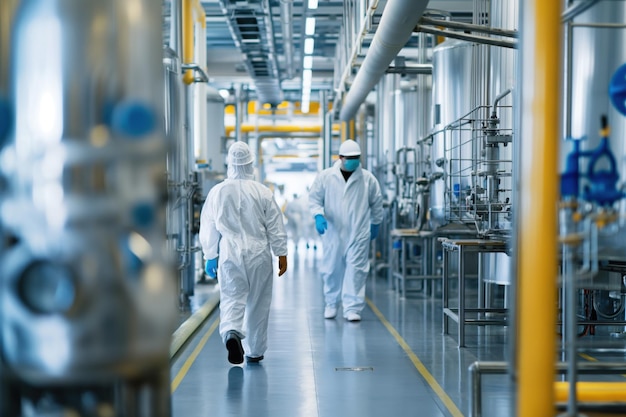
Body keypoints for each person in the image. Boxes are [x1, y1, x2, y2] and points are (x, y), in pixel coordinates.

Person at [199, 141, 288, 364]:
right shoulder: (262, 192)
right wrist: (282, 254)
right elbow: (275, 225)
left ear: (230, 164)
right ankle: (255, 351)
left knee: (231, 297)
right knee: (258, 302)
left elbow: (207, 225)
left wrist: (210, 255)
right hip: (259, 253)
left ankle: (231, 332)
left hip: (229, 253)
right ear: (250, 165)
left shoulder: (217, 192)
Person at [308, 139, 383, 322]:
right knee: (331, 269)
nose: (354, 161)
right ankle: (331, 303)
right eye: (349, 158)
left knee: (356, 271)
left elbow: (377, 203)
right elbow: (315, 199)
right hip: (333, 232)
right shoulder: (326, 177)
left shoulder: (367, 179)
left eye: (356, 158)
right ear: (340, 158)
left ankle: (352, 308)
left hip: (359, 232)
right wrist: (318, 215)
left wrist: (376, 223)